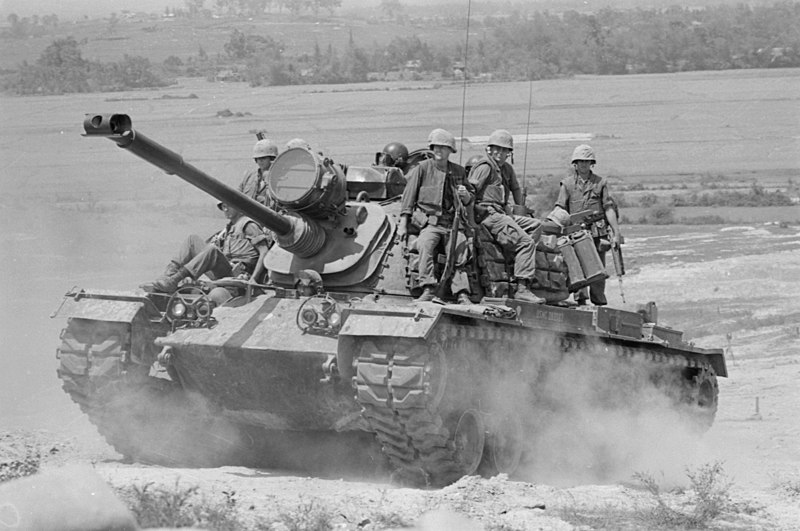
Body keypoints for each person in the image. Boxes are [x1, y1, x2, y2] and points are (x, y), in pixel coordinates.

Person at [398, 128, 474, 304]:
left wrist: (466, 196)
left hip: (453, 224)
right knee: (425, 245)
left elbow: (470, 199)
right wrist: (403, 223)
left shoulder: (459, 172)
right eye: (436, 147)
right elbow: (408, 197)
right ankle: (428, 288)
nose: (439, 151)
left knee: (460, 250)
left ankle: (461, 293)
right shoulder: (422, 169)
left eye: (443, 147)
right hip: (431, 223)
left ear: (450, 151)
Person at [468, 130, 545, 303]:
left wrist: (520, 208)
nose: (500, 154)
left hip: (503, 213)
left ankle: (518, 260)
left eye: (505, 151)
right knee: (526, 242)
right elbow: (470, 192)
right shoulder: (485, 167)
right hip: (489, 215)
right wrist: (472, 219)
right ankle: (522, 287)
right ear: (489, 149)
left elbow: (516, 188)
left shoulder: (506, 169)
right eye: (497, 149)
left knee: (535, 225)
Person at [147, 202, 271, 293]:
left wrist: (254, 279)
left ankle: (175, 279)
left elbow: (264, 251)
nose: (225, 209)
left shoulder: (248, 224)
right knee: (192, 240)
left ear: (238, 207)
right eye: (223, 207)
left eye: (228, 205)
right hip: (225, 270)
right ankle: (169, 276)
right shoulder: (228, 229)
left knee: (212, 249)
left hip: (239, 274)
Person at [555, 144, 621, 306]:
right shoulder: (567, 184)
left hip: (597, 232)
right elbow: (560, 208)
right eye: (580, 161)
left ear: (592, 163)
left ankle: (598, 300)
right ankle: (581, 299)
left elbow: (608, 208)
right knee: (577, 266)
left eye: (587, 161)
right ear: (575, 164)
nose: (583, 164)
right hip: (575, 232)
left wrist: (616, 232)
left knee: (598, 266)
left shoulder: (600, 183)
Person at [239, 138, 278, 207]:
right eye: (258, 158)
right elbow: (239, 193)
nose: (260, 161)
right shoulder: (249, 176)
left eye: (264, 158)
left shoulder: (278, 178)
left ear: (272, 158)